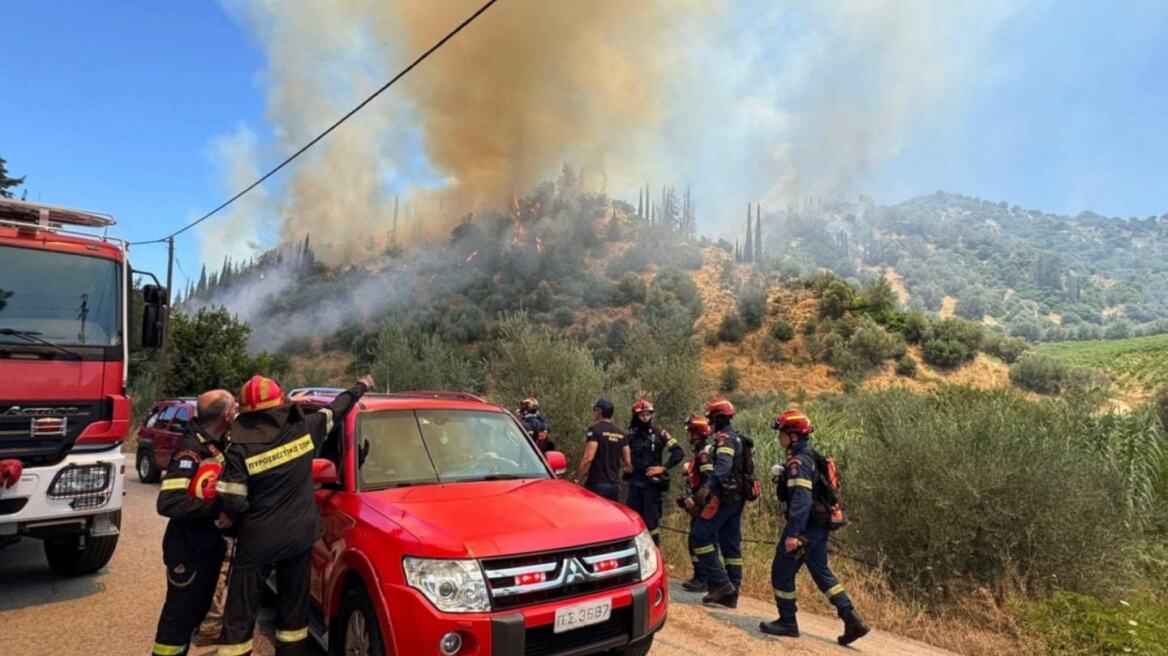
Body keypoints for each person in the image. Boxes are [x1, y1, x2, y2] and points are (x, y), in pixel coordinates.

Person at [215, 374, 372, 656]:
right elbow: (337, 409)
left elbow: (231, 500)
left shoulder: (240, 447)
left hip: (258, 539)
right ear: (281, 404)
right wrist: (360, 386)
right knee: (293, 615)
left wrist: (236, 519)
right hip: (298, 538)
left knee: (240, 613)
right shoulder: (304, 428)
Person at [761, 410, 869, 645]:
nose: (779, 437)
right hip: (818, 526)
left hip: (806, 527)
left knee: (781, 570)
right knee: (821, 572)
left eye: (781, 433)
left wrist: (793, 534)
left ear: (793, 436)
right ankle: (852, 620)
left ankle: (787, 622)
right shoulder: (810, 456)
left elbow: (801, 501)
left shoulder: (799, 463)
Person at [151, 390, 236, 656]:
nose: (237, 411)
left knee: (194, 615)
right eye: (234, 408)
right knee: (178, 622)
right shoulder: (190, 450)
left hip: (204, 548)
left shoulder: (215, 443)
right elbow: (169, 502)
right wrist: (217, 509)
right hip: (189, 550)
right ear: (225, 415)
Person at [688, 398, 744, 608]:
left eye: (712, 419)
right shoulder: (737, 438)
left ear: (719, 419)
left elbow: (723, 467)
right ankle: (732, 593)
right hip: (736, 499)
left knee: (699, 536)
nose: (710, 424)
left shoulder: (724, 439)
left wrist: (707, 490)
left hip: (723, 497)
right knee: (730, 545)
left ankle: (721, 583)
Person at [624, 399, 684, 545]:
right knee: (633, 521)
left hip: (651, 486)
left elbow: (678, 452)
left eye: (648, 414)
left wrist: (663, 468)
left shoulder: (659, 433)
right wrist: (624, 463)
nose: (645, 418)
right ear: (635, 416)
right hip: (634, 484)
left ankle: (655, 552)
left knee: (652, 523)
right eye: (642, 415)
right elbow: (618, 451)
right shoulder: (628, 434)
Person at [679, 414, 713, 592]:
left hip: (703, 505)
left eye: (689, 431)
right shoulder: (699, 452)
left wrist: (695, 499)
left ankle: (703, 578)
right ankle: (699, 576)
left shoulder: (704, 453)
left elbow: (708, 480)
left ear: (696, 434)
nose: (687, 435)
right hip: (700, 504)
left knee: (698, 540)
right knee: (694, 539)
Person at [573, 398, 631, 501]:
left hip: (596, 484)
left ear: (599, 411)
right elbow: (627, 461)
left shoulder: (594, 430)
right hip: (614, 485)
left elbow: (588, 458)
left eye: (595, 410)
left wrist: (577, 479)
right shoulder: (621, 433)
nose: (594, 413)